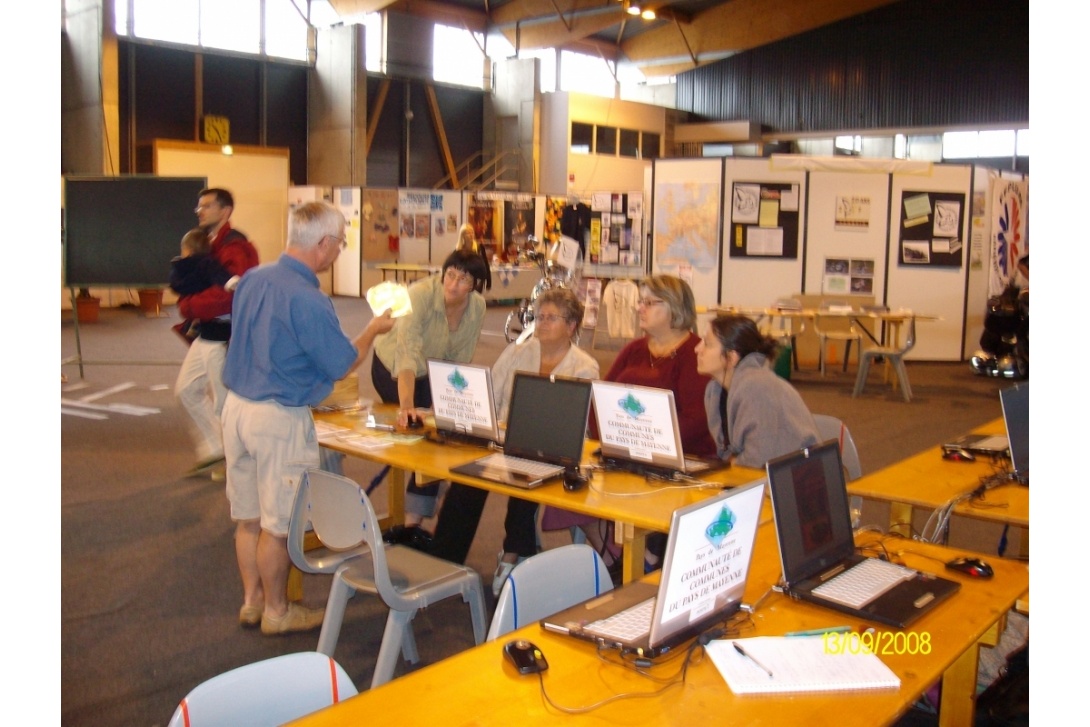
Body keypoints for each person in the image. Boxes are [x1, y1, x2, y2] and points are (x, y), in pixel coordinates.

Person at [221, 201, 395, 635]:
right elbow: (340, 364)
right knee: (277, 527)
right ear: (322, 244)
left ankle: (252, 601)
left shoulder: (252, 280)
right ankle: (278, 613)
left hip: (235, 408)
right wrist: (372, 330)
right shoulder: (308, 298)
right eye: (339, 243)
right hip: (277, 417)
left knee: (247, 518)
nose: (339, 251)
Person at [423, 288, 599, 585]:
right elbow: (488, 392)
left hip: (551, 450)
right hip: (503, 441)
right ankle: (444, 562)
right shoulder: (518, 350)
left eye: (551, 318)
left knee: (527, 477)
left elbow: (576, 426)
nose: (541, 323)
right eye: (539, 316)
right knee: (467, 481)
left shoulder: (584, 367)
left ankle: (514, 553)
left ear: (571, 327)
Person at [541, 275, 714, 567]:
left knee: (621, 492)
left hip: (676, 461)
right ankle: (611, 555)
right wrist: (612, 439)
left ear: (674, 308)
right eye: (640, 302)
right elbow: (599, 398)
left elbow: (696, 423)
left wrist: (641, 442)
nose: (639, 308)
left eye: (649, 303)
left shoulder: (694, 354)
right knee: (567, 482)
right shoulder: (635, 350)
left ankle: (630, 561)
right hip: (625, 452)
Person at [370, 248, 490, 535]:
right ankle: (413, 522)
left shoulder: (477, 308)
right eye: (449, 275)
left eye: (463, 280)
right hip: (393, 368)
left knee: (448, 429)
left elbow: (460, 361)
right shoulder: (420, 295)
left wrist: (453, 402)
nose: (452, 284)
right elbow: (407, 356)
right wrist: (407, 405)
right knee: (424, 429)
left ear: (474, 285)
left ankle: (420, 511)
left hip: (434, 373)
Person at [175, 188, 259, 475]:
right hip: (207, 333)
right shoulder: (208, 244)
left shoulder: (236, 247)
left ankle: (238, 467)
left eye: (207, 206)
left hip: (225, 336)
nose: (201, 211)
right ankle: (216, 449)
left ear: (225, 211)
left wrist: (189, 306)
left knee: (225, 405)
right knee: (187, 390)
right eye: (199, 207)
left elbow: (233, 295)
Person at [695, 314, 819, 469]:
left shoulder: (758, 388)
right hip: (761, 478)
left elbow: (759, 461)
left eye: (707, 344)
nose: (697, 349)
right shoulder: (714, 391)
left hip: (796, 480)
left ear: (731, 357)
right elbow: (728, 454)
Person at [168, 227, 240, 344]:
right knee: (216, 273)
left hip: (186, 289)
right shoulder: (206, 263)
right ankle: (195, 324)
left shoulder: (178, 266)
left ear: (187, 250)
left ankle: (193, 324)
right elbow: (218, 275)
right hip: (201, 288)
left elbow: (174, 283)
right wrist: (231, 282)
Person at [455, 223, 492, 293]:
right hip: (464, 279)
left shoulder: (479, 247)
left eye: (472, 232)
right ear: (463, 236)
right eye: (468, 233)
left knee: (476, 298)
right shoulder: (458, 249)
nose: (471, 235)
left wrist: (489, 282)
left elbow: (485, 264)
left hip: (478, 279)